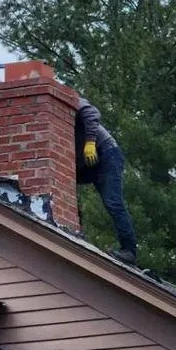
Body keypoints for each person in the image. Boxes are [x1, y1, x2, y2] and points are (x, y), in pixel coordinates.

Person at [75, 97, 138, 265]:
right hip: (84, 164)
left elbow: (92, 113)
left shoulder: (71, 98)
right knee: (65, 185)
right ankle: (74, 229)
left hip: (106, 153)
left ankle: (129, 251)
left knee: (113, 201)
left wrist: (90, 142)